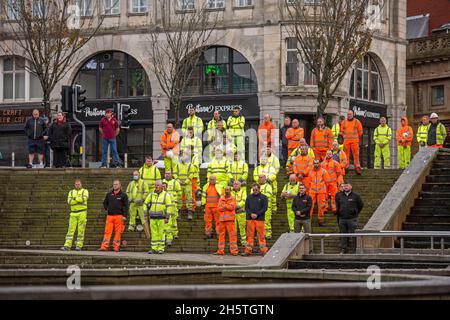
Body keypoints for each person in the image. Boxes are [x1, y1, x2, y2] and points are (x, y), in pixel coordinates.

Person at [99, 179, 129, 252]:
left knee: (118, 232)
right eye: (114, 184)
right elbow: (104, 203)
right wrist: (108, 209)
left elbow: (126, 206)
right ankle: (104, 246)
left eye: (116, 184)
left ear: (120, 185)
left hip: (119, 216)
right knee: (107, 232)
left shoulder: (123, 195)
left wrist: (125, 216)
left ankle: (116, 247)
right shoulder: (109, 194)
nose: (115, 185)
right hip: (110, 216)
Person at [145, 180, 173, 254]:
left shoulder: (166, 195)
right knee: (154, 234)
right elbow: (145, 203)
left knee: (161, 233)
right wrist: (145, 213)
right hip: (152, 218)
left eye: (158, 185)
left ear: (161, 186)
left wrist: (167, 217)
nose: (156, 186)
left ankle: (161, 249)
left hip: (161, 218)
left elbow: (169, 206)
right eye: (155, 185)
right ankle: (154, 248)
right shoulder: (151, 195)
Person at [335, 182, 364, 254]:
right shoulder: (339, 196)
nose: (345, 187)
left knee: (354, 234)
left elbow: (361, 205)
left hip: (352, 219)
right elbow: (338, 206)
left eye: (347, 186)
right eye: (344, 186)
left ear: (351, 187)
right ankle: (344, 249)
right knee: (343, 235)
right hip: (342, 219)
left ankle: (355, 249)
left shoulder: (355, 195)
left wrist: (355, 212)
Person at [61, 179, 89, 251]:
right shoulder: (71, 192)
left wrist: (75, 199)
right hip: (73, 213)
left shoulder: (85, 191)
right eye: (76, 184)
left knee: (81, 230)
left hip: (82, 212)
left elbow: (84, 198)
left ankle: (79, 246)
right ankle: (67, 245)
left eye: (78, 184)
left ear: (81, 184)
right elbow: (69, 201)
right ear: (74, 185)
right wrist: (78, 199)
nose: (77, 185)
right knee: (70, 230)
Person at [243, 183, 269, 256]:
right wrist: (251, 214)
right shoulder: (249, 197)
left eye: (256, 189)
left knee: (261, 235)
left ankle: (264, 251)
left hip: (260, 219)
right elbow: (246, 207)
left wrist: (257, 214)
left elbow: (265, 208)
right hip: (250, 219)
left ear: (259, 189)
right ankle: (248, 251)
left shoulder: (264, 197)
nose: (255, 191)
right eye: (253, 190)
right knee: (249, 236)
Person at [172, 150, 197, 220]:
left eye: (185, 155)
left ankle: (190, 213)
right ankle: (178, 213)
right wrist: (178, 180)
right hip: (179, 184)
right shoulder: (177, 165)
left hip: (187, 184)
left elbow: (191, 173)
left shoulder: (190, 165)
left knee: (189, 198)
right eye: (182, 155)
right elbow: (175, 173)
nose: (183, 157)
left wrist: (186, 181)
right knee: (179, 198)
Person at [215, 186, 238, 256]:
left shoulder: (233, 198)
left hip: (230, 220)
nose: (226, 191)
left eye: (228, 190)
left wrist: (224, 206)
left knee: (232, 235)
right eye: (226, 190)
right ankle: (220, 250)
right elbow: (218, 208)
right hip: (222, 220)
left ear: (230, 190)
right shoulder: (221, 198)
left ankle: (234, 251)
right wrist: (226, 206)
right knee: (221, 235)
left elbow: (232, 207)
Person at [292, 183, 313, 252]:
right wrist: (296, 212)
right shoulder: (295, 197)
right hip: (297, 219)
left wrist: (301, 212)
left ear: (305, 189)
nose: (301, 189)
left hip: (306, 219)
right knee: (296, 236)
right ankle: (297, 250)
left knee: (308, 235)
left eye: (302, 188)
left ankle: (310, 250)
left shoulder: (308, 197)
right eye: (300, 188)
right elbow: (293, 206)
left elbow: (309, 207)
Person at [340, 110, 363, 175]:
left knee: (356, 155)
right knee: (346, 155)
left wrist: (356, 138)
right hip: (346, 141)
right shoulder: (343, 122)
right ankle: (346, 167)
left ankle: (357, 167)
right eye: (348, 114)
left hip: (354, 141)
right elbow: (342, 132)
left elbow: (360, 132)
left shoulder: (357, 122)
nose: (349, 115)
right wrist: (345, 137)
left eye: (350, 114)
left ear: (353, 114)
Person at [309, 158, 331, 226]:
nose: (316, 164)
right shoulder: (310, 171)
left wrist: (326, 193)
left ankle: (320, 221)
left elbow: (327, 182)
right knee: (310, 206)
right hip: (312, 191)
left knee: (321, 207)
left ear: (319, 164)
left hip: (321, 192)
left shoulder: (323, 171)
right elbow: (308, 182)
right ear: (313, 164)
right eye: (315, 163)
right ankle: (308, 220)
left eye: (317, 163)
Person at [162, 170, 182, 245]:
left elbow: (179, 193)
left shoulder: (175, 182)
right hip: (164, 204)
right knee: (168, 221)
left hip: (173, 204)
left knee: (174, 220)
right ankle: (168, 235)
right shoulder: (162, 182)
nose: (167, 175)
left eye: (169, 173)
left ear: (171, 174)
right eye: (166, 173)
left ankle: (175, 233)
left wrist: (174, 198)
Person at [257, 174, 273, 239]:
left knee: (267, 221)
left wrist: (258, 196)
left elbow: (268, 195)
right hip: (258, 208)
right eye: (259, 177)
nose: (260, 179)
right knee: (258, 223)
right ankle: (260, 235)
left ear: (265, 178)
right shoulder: (256, 186)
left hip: (266, 208)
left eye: (261, 177)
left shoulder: (268, 186)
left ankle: (268, 234)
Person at [232, 180, 247, 246]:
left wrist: (237, 206)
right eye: (234, 184)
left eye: (237, 184)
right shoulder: (230, 192)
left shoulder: (243, 191)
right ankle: (233, 242)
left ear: (240, 185)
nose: (235, 185)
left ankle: (243, 242)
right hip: (232, 213)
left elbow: (244, 200)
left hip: (241, 213)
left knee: (242, 228)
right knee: (233, 229)